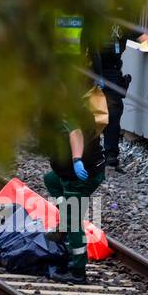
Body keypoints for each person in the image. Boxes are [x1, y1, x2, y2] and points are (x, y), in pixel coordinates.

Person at [43, 113, 105, 285]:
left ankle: (77, 271)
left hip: (79, 176)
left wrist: (76, 159)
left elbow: (75, 131)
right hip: (75, 172)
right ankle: (65, 223)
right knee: (51, 180)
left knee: (73, 220)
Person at [91, 25, 148, 171]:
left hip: (112, 70)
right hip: (91, 68)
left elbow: (140, 35)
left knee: (114, 110)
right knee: (91, 111)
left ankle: (110, 156)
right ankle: (91, 153)